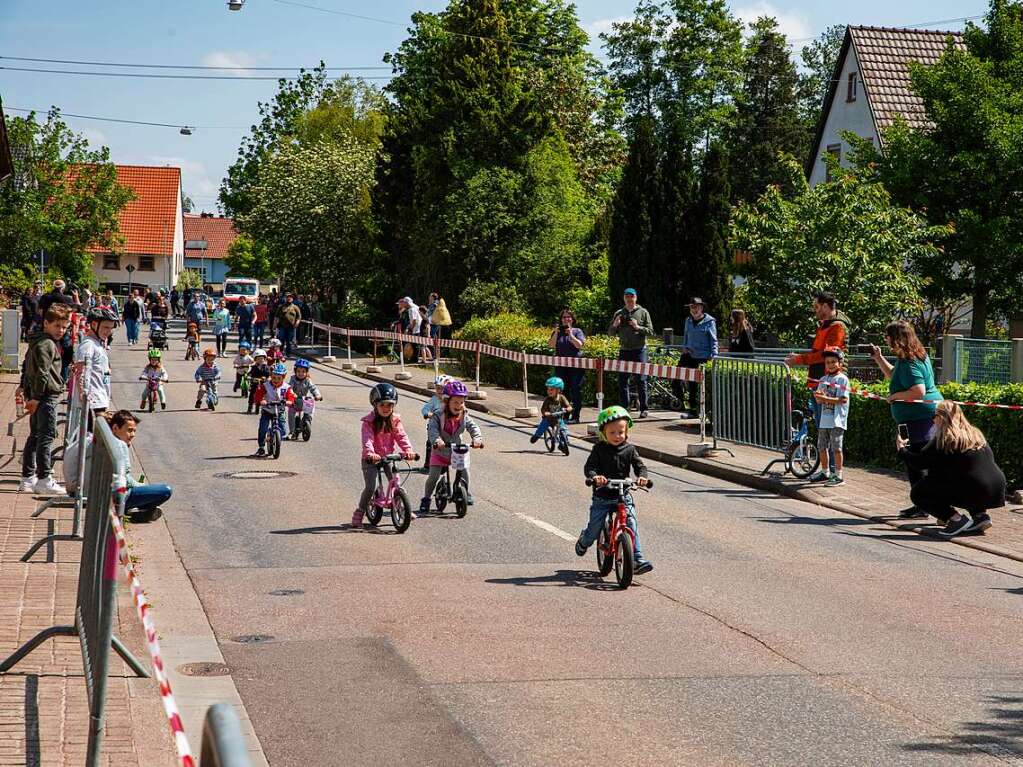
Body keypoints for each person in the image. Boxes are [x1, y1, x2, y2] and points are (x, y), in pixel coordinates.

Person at [897, 401, 1007, 537]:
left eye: (934, 416)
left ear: (942, 418)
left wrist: (902, 449)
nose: (932, 419)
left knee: (919, 493)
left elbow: (919, 463)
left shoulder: (944, 439)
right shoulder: (976, 434)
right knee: (966, 480)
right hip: (996, 487)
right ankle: (980, 516)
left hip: (974, 487)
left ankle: (956, 519)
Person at [869, 320, 944, 518]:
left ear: (898, 338)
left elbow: (918, 391)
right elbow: (893, 375)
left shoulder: (910, 362)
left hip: (919, 420)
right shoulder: (910, 357)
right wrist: (879, 358)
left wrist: (894, 397)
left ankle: (925, 506)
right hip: (914, 420)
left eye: (888, 336)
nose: (886, 339)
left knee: (917, 463)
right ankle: (922, 504)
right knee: (915, 464)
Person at [575, 405, 653, 574]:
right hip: (602, 496)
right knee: (594, 529)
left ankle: (637, 559)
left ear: (626, 432)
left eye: (621, 432)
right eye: (612, 432)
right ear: (603, 433)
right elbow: (590, 467)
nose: (617, 436)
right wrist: (595, 476)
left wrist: (642, 477)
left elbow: (640, 466)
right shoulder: (599, 449)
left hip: (623, 495)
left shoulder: (630, 450)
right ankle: (584, 540)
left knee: (631, 523)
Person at [19, 303, 72, 495]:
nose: (61, 330)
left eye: (64, 327)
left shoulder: (37, 340)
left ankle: (27, 477)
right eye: (57, 325)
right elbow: (41, 372)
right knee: (46, 436)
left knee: (35, 436)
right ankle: (44, 478)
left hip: (37, 394)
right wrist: (37, 397)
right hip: (46, 395)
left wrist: (24, 388)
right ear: (46, 323)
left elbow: (27, 367)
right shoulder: (47, 344)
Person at [351, 383, 417, 528]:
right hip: (371, 459)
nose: (386, 408)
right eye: (382, 405)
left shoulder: (394, 420)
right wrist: (370, 453)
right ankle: (360, 512)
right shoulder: (369, 422)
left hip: (388, 456)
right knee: (371, 486)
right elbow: (367, 439)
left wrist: (408, 451)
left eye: (390, 405)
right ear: (375, 405)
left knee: (396, 481)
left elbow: (401, 436)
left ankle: (402, 508)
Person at [420, 380, 484, 516]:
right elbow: (432, 430)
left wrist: (477, 439)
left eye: (461, 402)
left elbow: (473, 427)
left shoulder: (464, 415)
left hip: (457, 449)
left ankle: (465, 491)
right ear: (447, 401)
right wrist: (437, 440)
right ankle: (426, 499)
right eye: (455, 402)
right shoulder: (438, 414)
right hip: (440, 450)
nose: (459, 405)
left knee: (465, 471)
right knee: (433, 476)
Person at [784, 292, 850, 404]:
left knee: (826, 420)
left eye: (816, 306)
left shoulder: (837, 326)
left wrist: (797, 359)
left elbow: (827, 355)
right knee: (821, 420)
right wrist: (798, 357)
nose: (815, 310)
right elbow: (820, 352)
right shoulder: (826, 325)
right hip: (821, 380)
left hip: (830, 382)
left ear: (825, 306)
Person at [108, 410, 173, 523]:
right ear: (115, 428)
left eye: (134, 431)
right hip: (118, 495)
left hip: (111, 493)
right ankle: (132, 512)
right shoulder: (120, 445)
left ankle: (136, 512)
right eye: (129, 431)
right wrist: (141, 486)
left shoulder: (107, 440)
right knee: (166, 490)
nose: (133, 435)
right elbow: (126, 479)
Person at [609, 288, 656, 418]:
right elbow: (610, 333)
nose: (629, 299)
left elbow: (651, 332)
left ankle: (644, 409)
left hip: (640, 350)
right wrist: (615, 325)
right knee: (622, 380)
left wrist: (637, 327)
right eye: (627, 296)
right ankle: (624, 408)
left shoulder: (643, 312)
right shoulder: (619, 312)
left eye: (632, 296)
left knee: (641, 380)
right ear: (624, 298)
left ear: (636, 297)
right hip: (624, 350)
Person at [809, 348, 849, 486]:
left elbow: (843, 400)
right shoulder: (823, 379)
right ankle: (825, 472)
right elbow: (820, 400)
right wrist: (818, 397)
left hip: (837, 420)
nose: (830, 364)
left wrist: (824, 398)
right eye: (827, 362)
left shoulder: (842, 379)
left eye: (833, 362)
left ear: (840, 363)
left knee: (836, 448)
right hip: (824, 419)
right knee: (821, 446)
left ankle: (838, 475)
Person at [675, 298, 718, 419]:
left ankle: (699, 411)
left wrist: (714, 356)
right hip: (689, 355)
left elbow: (714, 340)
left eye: (696, 307)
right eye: (692, 307)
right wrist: (684, 347)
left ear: (701, 308)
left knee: (698, 384)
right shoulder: (688, 321)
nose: (694, 310)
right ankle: (685, 404)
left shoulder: (710, 321)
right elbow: (686, 336)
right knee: (676, 376)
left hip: (703, 357)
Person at [75, 307, 117, 423]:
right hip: (92, 402)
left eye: (111, 328)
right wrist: (83, 395)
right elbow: (79, 371)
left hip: (101, 399)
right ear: (94, 324)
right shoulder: (88, 345)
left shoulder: (98, 343)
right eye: (105, 327)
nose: (109, 331)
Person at [548, 309, 586, 424]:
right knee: (561, 391)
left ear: (572, 319)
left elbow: (579, 345)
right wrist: (555, 332)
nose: (566, 319)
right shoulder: (557, 332)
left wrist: (571, 335)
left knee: (575, 390)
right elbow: (551, 345)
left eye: (568, 317)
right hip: (561, 366)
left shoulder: (577, 331)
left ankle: (575, 416)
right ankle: (564, 415)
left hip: (576, 366)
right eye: (564, 317)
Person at [253, 362, 294, 456]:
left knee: (283, 430)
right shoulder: (265, 385)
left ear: (283, 377)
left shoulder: (286, 387)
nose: (276, 380)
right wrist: (260, 401)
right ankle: (261, 447)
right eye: (274, 377)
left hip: (279, 410)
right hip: (267, 410)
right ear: (271, 376)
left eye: (279, 378)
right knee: (263, 428)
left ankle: (275, 436)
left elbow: (291, 396)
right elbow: (258, 394)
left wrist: (289, 401)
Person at [529, 376, 572, 455]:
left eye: (551, 389)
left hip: (558, 419)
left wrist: (568, 408)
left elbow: (568, 406)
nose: (549, 391)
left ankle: (562, 445)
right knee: (542, 427)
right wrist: (546, 413)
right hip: (548, 419)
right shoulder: (547, 400)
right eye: (548, 389)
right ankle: (536, 436)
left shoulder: (562, 398)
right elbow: (543, 409)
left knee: (564, 431)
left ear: (558, 390)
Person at [420, 375, 449, 471]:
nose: (440, 391)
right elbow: (425, 409)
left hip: (445, 427)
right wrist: (428, 413)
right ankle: (428, 465)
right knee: (430, 444)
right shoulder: (434, 399)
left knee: (447, 445)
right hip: (434, 426)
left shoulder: (450, 401)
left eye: (442, 389)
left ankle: (444, 464)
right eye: (438, 388)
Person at [287, 359, 322, 439]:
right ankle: (292, 431)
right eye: (298, 371)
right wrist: (292, 394)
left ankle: (308, 419)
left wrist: (317, 395)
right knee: (291, 412)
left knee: (311, 408)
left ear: (306, 372)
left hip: (305, 400)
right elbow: (290, 387)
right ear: (295, 371)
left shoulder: (308, 380)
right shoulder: (293, 379)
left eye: (303, 371)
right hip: (295, 400)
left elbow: (313, 388)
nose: (301, 373)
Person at [246, 348, 272, 414]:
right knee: (252, 395)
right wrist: (248, 376)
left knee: (261, 396)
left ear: (264, 359)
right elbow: (249, 373)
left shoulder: (266, 367)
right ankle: (250, 407)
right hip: (254, 383)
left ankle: (258, 407)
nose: (260, 360)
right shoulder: (253, 367)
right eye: (258, 359)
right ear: (255, 359)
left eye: (262, 358)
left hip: (263, 384)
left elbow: (268, 374)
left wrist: (266, 377)